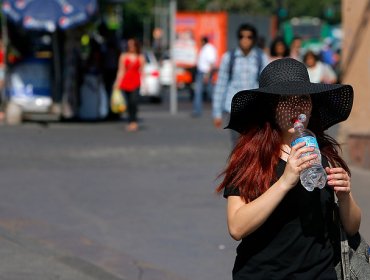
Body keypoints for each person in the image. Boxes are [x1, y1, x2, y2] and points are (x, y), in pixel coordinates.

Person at [216, 58, 361, 279]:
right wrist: (285, 181)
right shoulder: (251, 158)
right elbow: (236, 227)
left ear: (312, 105)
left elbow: (352, 227)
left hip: (320, 272)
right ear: (270, 108)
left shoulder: (324, 154)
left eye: (303, 98)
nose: (297, 106)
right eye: (285, 99)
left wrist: (345, 196)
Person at [212, 23, 269, 146]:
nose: (245, 40)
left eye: (249, 37)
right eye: (242, 36)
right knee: (237, 145)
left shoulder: (260, 57)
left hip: (254, 107)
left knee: (253, 144)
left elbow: (266, 85)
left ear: (254, 39)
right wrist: (217, 113)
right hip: (233, 108)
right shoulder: (229, 57)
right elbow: (221, 85)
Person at [114, 38, 145, 132]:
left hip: (136, 81)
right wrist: (117, 82)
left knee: (134, 101)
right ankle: (130, 120)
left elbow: (142, 71)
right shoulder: (124, 56)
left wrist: (144, 83)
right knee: (128, 103)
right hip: (126, 81)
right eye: (129, 45)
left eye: (133, 45)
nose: (131, 47)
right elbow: (121, 70)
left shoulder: (140, 57)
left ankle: (134, 121)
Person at [192, 36, 217, 117]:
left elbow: (211, 62)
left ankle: (217, 108)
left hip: (205, 73)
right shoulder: (205, 49)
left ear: (203, 41)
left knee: (202, 92)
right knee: (207, 91)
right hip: (202, 72)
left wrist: (207, 74)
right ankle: (198, 110)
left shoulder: (208, 49)